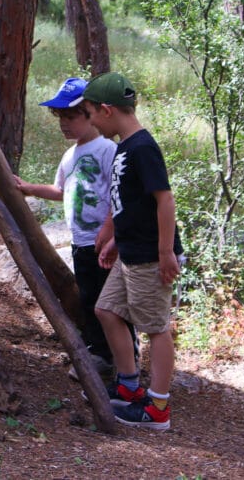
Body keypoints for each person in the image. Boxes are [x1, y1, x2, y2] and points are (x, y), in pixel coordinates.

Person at [82, 71, 183, 431]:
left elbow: (164, 199)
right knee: (106, 309)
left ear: (107, 110)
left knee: (155, 328)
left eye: (91, 113)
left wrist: (166, 251)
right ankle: (128, 387)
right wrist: (114, 239)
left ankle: (157, 409)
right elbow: (132, 204)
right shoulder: (126, 146)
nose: (90, 121)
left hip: (150, 257)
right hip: (130, 252)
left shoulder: (142, 147)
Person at [14, 77, 118, 376]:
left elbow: (117, 191)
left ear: (91, 113)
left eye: (71, 116)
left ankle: (115, 357)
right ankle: (97, 351)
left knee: (107, 300)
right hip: (80, 240)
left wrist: (109, 231)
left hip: (102, 241)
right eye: (61, 117)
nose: (64, 124)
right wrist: (30, 188)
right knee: (88, 297)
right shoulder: (70, 155)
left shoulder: (106, 150)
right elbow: (60, 190)